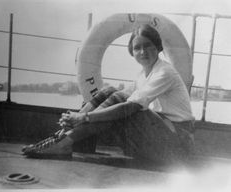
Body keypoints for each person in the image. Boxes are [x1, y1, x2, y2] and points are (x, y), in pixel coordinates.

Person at [22, 24, 195, 163]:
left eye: (148, 46)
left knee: (126, 103)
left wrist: (84, 118)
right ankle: (62, 137)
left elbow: (129, 105)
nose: (143, 52)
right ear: (132, 52)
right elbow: (113, 94)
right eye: (137, 48)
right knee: (110, 91)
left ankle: (64, 142)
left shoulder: (164, 72)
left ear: (157, 47)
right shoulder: (143, 75)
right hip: (161, 140)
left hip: (178, 147)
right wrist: (77, 117)